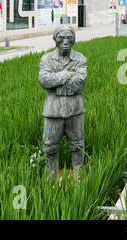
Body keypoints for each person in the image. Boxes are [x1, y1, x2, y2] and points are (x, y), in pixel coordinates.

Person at [38, 26, 87, 181]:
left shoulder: (80, 59)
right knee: (50, 146)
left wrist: (56, 84)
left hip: (75, 109)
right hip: (53, 110)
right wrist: (67, 74)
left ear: (74, 39)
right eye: (61, 38)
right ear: (55, 39)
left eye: (69, 38)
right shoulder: (46, 59)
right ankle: (50, 176)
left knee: (77, 145)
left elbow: (79, 83)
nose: (65, 42)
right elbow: (45, 81)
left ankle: (78, 175)